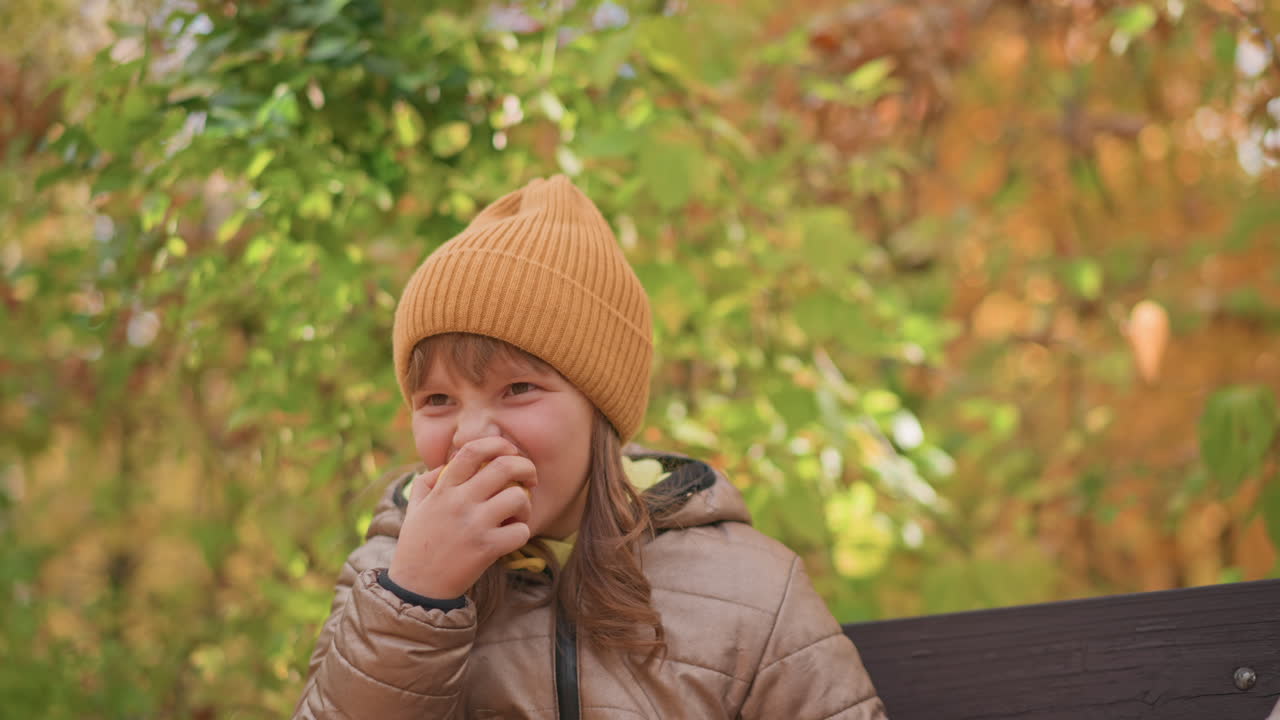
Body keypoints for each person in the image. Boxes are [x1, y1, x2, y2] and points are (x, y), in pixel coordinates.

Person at [293, 175, 888, 719]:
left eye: (518, 388)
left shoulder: (751, 587)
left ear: (599, 411)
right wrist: (415, 599)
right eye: (438, 400)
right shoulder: (383, 574)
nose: (472, 435)